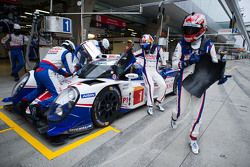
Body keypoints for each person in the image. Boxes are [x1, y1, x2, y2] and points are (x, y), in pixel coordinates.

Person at [171, 13, 219, 154]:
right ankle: (173, 118)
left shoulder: (209, 45)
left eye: (192, 29)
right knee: (179, 111)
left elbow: (214, 64)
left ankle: (193, 139)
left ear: (202, 29)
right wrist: (187, 61)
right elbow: (174, 65)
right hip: (184, 82)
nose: (188, 32)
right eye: (187, 29)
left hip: (200, 83)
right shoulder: (181, 44)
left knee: (197, 114)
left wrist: (219, 75)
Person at [17, 40, 79, 118]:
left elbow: (53, 65)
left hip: (38, 71)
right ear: (70, 48)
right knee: (58, 95)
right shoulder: (67, 52)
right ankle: (37, 107)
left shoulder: (53, 49)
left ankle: (23, 103)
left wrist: (65, 74)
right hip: (47, 73)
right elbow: (71, 70)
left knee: (40, 90)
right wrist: (77, 67)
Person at [134, 34, 167, 115]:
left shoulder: (158, 49)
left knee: (164, 85)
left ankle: (158, 102)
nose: (143, 44)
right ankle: (150, 106)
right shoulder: (142, 51)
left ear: (150, 42)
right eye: (142, 42)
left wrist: (163, 65)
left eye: (145, 42)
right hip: (146, 71)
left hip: (154, 71)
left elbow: (164, 62)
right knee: (150, 86)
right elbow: (133, 55)